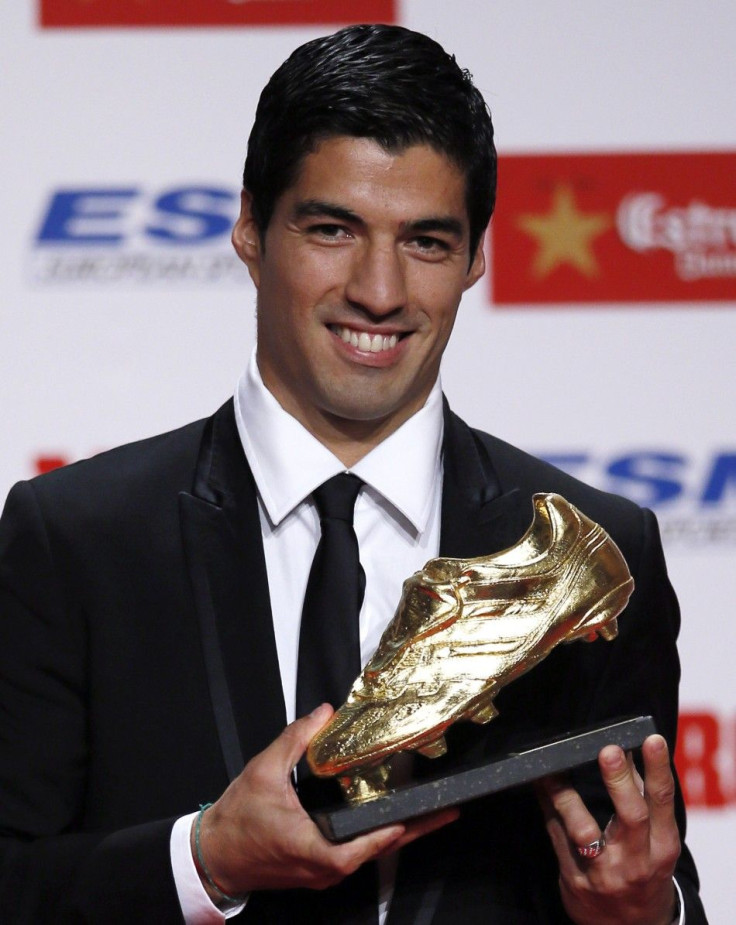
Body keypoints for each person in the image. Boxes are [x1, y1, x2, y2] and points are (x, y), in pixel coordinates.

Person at [0, 23, 707, 925]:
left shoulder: (589, 557)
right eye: (333, 229)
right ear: (251, 228)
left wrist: (642, 914)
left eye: (426, 242)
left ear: (477, 256)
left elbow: (659, 881)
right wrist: (205, 857)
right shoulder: (75, 538)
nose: (379, 290)